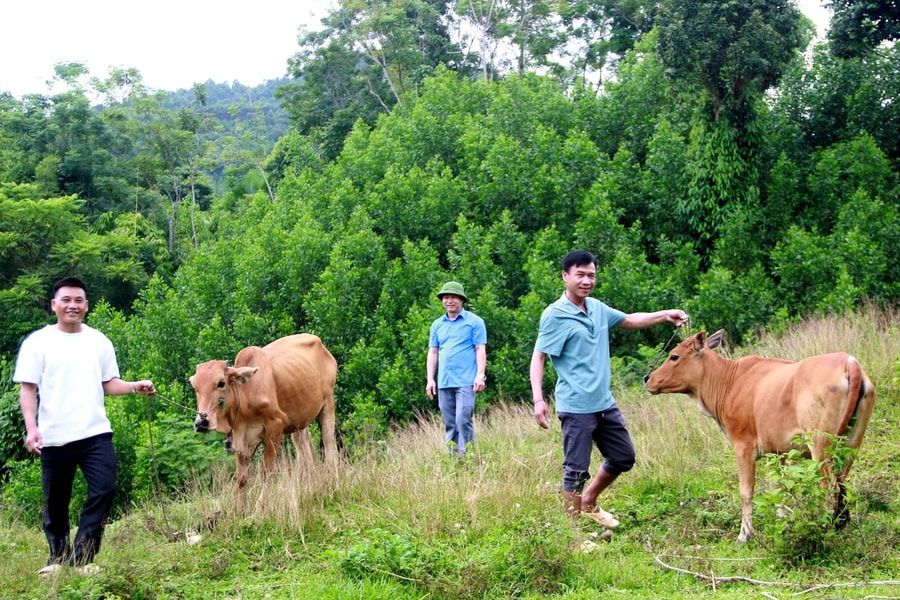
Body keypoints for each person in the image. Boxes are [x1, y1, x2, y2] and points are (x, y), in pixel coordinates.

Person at [530, 251, 688, 530]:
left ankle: (589, 500)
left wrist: (666, 315)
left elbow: (630, 320)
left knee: (623, 456)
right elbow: (539, 356)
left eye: (591, 275)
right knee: (576, 471)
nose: (586, 280)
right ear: (565, 276)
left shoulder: (598, 308)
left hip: (604, 403)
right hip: (576, 405)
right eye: (580, 274)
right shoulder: (555, 315)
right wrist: (539, 400)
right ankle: (573, 536)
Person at [13, 276, 156, 576]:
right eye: (66, 300)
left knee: (104, 489)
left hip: (95, 434)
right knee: (56, 503)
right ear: (54, 305)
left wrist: (134, 387)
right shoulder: (37, 343)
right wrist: (31, 428)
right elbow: (28, 389)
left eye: (78, 300)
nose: (72, 305)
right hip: (53, 437)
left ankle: (82, 559)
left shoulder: (99, 341)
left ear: (86, 306)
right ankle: (57, 558)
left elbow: (109, 384)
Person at [426, 281, 487, 457]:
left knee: (463, 419)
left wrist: (480, 376)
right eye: (446, 297)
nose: (449, 301)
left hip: (466, 381)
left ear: (461, 300)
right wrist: (430, 379)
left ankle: (468, 455)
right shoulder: (437, 325)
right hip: (445, 381)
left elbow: (480, 349)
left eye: (453, 297)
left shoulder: (475, 322)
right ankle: (453, 458)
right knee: (450, 422)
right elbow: (433, 352)